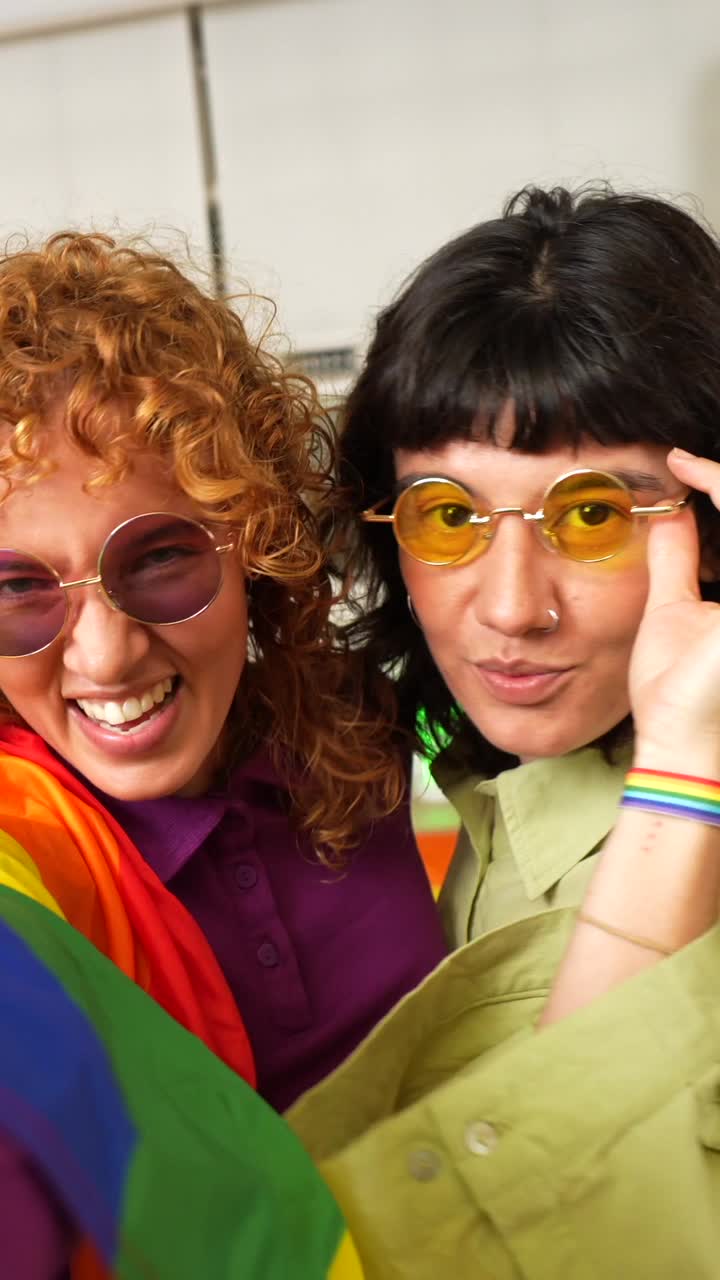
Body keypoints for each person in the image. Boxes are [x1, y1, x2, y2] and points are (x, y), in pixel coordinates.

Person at [287, 186, 720, 1278]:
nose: (513, 605)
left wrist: (687, 767)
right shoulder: (496, 780)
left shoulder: (682, 788)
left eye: (591, 515)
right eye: (449, 514)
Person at [0, 230, 445, 1276]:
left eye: (158, 558)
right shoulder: (23, 862)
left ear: (257, 539)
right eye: (19, 587)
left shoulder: (370, 720)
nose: (106, 654)